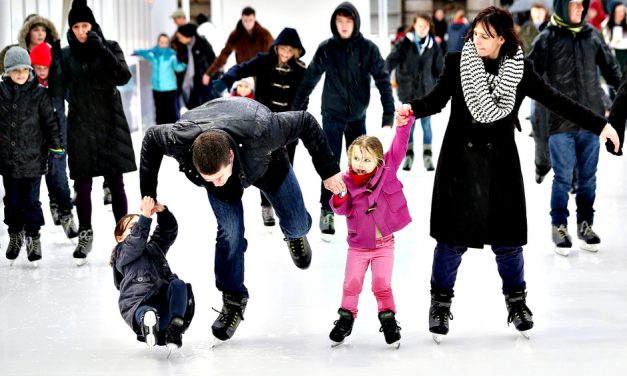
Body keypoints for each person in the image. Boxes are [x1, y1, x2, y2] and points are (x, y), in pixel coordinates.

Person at [404, 6, 620, 342]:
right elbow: (435, 100)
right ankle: (440, 305)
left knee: (508, 243)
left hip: (500, 167)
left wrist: (601, 125)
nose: (477, 41)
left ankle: (517, 303)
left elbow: (556, 100)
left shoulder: (519, 70)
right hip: (460, 165)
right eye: (475, 34)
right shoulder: (457, 63)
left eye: (486, 36)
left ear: (502, 39)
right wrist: (412, 109)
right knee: (450, 242)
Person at [139, 96, 345, 342]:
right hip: (216, 141)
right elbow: (151, 138)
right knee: (230, 233)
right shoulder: (179, 139)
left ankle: (295, 235)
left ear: (230, 156)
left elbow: (305, 121)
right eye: (209, 178)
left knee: (297, 223)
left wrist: (329, 170)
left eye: (219, 175)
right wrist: (148, 194)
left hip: (266, 162)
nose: (215, 181)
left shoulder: (264, 130)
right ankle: (233, 299)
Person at [291, 2, 395, 242]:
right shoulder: (327, 49)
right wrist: (295, 114)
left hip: (357, 116)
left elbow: (382, 79)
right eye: (340, 22)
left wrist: (387, 114)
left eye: (348, 22)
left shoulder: (367, 49)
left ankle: (361, 209)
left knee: (362, 163)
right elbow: (309, 80)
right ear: (334, 24)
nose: (344, 26)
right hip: (332, 115)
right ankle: (327, 209)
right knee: (329, 162)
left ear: (355, 23)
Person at [528, 0, 622, 256]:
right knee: (562, 177)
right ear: (561, 8)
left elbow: (611, 70)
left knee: (588, 179)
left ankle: (585, 224)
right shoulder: (547, 38)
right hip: (559, 121)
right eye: (575, 5)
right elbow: (527, 74)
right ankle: (559, 226)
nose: (581, 9)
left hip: (592, 120)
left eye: (582, 4)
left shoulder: (591, 35)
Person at [50, 0, 137, 265]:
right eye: (76, 26)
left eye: (85, 25)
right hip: (81, 125)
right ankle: (85, 233)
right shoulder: (65, 55)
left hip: (110, 124)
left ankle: (123, 236)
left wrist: (102, 50)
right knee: (83, 185)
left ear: (93, 25)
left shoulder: (109, 47)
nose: (80, 31)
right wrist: (55, 64)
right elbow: (57, 90)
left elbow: (123, 76)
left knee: (117, 182)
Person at [327, 108, 413, 349]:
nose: (360, 164)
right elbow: (341, 210)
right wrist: (341, 195)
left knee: (381, 285)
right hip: (358, 246)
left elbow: (400, 145)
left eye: (366, 160)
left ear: (378, 160)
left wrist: (404, 124)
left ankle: (388, 319)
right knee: (351, 284)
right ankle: (345, 319)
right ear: (349, 158)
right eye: (356, 158)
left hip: (384, 244)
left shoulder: (387, 171)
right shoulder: (345, 180)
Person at [213, 27, 307, 228]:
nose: (285, 54)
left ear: (295, 52)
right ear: (277, 46)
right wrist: (226, 80)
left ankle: (288, 211)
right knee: (262, 167)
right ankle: (266, 205)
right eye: (283, 49)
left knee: (286, 169)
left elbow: (302, 100)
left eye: (290, 51)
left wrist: (296, 123)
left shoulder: (300, 70)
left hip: (288, 128)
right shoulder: (264, 61)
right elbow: (241, 68)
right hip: (263, 125)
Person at [1, 47, 63, 266]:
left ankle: (33, 236)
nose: (20, 74)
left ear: (30, 71)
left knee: (31, 201)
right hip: (8, 162)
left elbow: (50, 123)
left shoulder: (39, 93)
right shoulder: (1, 93)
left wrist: (56, 146)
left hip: (34, 161)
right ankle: (15, 234)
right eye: (15, 70)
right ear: (7, 72)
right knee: (12, 201)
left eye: (24, 70)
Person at [111, 196, 194, 351]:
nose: (138, 229)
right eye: (132, 228)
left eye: (139, 225)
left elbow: (168, 231)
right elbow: (135, 241)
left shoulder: (154, 247)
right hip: (138, 301)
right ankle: (147, 322)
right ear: (119, 237)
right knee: (146, 310)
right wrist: (145, 217)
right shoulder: (122, 252)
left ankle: (175, 326)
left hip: (164, 305)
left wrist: (161, 212)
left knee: (178, 284)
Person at [29, 42, 79, 239]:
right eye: (37, 67)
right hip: (34, 141)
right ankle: (53, 202)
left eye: (44, 67)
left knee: (59, 176)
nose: (41, 71)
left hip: (58, 138)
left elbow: (75, 99)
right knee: (38, 178)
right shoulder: (29, 85)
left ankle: (66, 213)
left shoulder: (58, 83)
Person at [386, 13, 444, 171]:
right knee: (408, 127)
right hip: (408, 92)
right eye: (420, 25)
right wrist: (382, 75)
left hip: (426, 93)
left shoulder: (433, 46)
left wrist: (444, 85)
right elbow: (391, 60)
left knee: (426, 125)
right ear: (414, 25)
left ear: (428, 27)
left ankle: (427, 156)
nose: (422, 29)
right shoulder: (404, 43)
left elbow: (440, 69)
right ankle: (409, 156)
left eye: (425, 26)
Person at [202, 6, 274, 85]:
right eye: (245, 20)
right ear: (242, 19)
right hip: (245, 76)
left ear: (254, 19)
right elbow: (224, 54)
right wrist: (209, 73)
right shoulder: (236, 35)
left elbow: (274, 52)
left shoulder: (264, 34)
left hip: (262, 75)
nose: (248, 23)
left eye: (250, 20)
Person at [133, 33, 187, 125]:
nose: (164, 45)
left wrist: (184, 64)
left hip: (170, 88)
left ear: (168, 43)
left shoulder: (172, 54)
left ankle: (171, 133)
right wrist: (136, 52)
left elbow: (177, 67)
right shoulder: (154, 54)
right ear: (158, 42)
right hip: (157, 88)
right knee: (159, 111)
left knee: (170, 112)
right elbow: (145, 53)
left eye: (166, 42)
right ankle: (159, 133)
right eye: (162, 42)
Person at [174, 23, 217, 110]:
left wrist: (208, 74)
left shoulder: (202, 44)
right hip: (190, 83)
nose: (179, 40)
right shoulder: (182, 47)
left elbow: (213, 62)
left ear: (188, 35)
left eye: (180, 37)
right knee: (192, 108)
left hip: (204, 82)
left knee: (204, 108)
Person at [602, 1, 627, 75]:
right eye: (619, 11)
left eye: (623, 11)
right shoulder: (606, 25)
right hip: (615, 54)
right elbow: (608, 44)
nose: (621, 13)